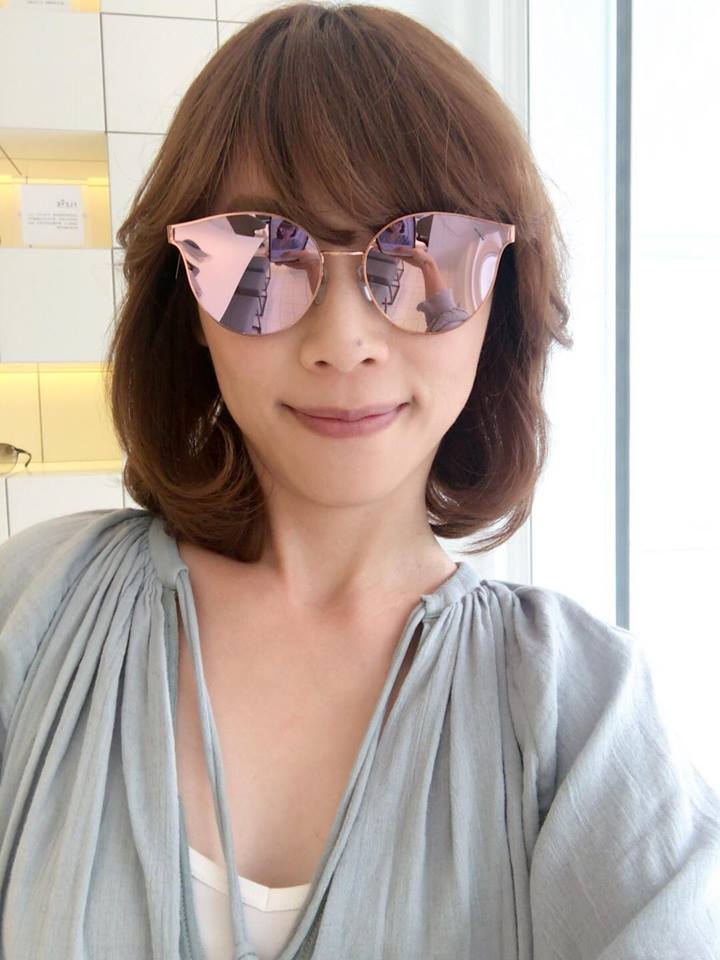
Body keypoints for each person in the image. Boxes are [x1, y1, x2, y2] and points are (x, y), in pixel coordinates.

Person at [1, 3, 719, 959]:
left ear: (500, 300)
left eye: (421, 259)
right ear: (187, 304)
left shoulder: (580, 714)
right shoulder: (36, 606)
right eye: (261, 257)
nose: (343, 343)